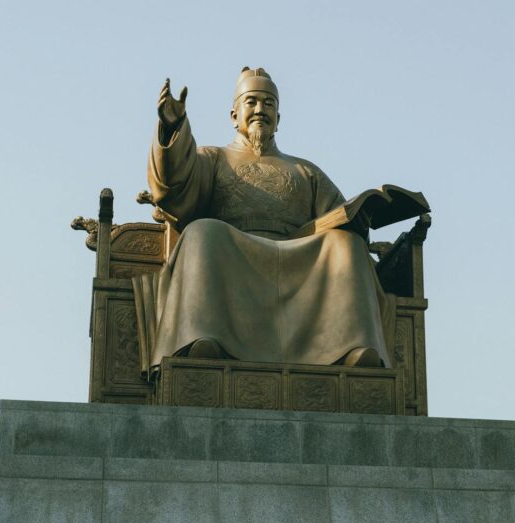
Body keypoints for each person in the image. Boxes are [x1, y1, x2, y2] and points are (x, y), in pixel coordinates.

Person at [137, 67, 392, 371]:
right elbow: (174, 185)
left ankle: (352, 348)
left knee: (346, 244)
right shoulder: (213, 158)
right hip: (234, 252)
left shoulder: (305, 170)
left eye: (269, 104)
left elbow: (337, 216)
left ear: (279, 119)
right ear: (234, 115)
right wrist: (173, 126)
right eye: (252, 102)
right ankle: (204, 337)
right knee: (202, 232)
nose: (260, 110)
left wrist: (359, 222)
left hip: (299, 256)